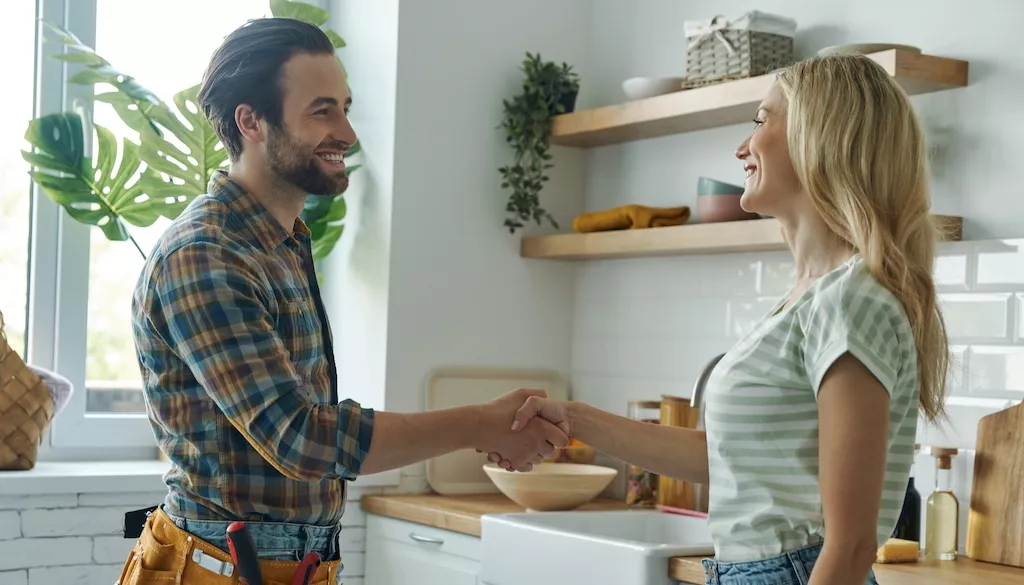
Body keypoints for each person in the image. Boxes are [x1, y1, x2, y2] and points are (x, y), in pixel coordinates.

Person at [123, 17, 567, 584]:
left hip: (283, 564)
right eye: (321, 110)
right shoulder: (206, 255)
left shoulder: (283, 242)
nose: (348, 133)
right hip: (217, 568)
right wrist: (480, 423)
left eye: (345, 108)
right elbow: (299, 436)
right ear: (251, 121)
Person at [490, 54, 950, 585]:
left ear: (821, 135)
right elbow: (729, 460)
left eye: (761, 120)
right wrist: (573, 418)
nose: (741, 147)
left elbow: (849, 547)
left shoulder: (851, 302)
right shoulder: (810, 300)